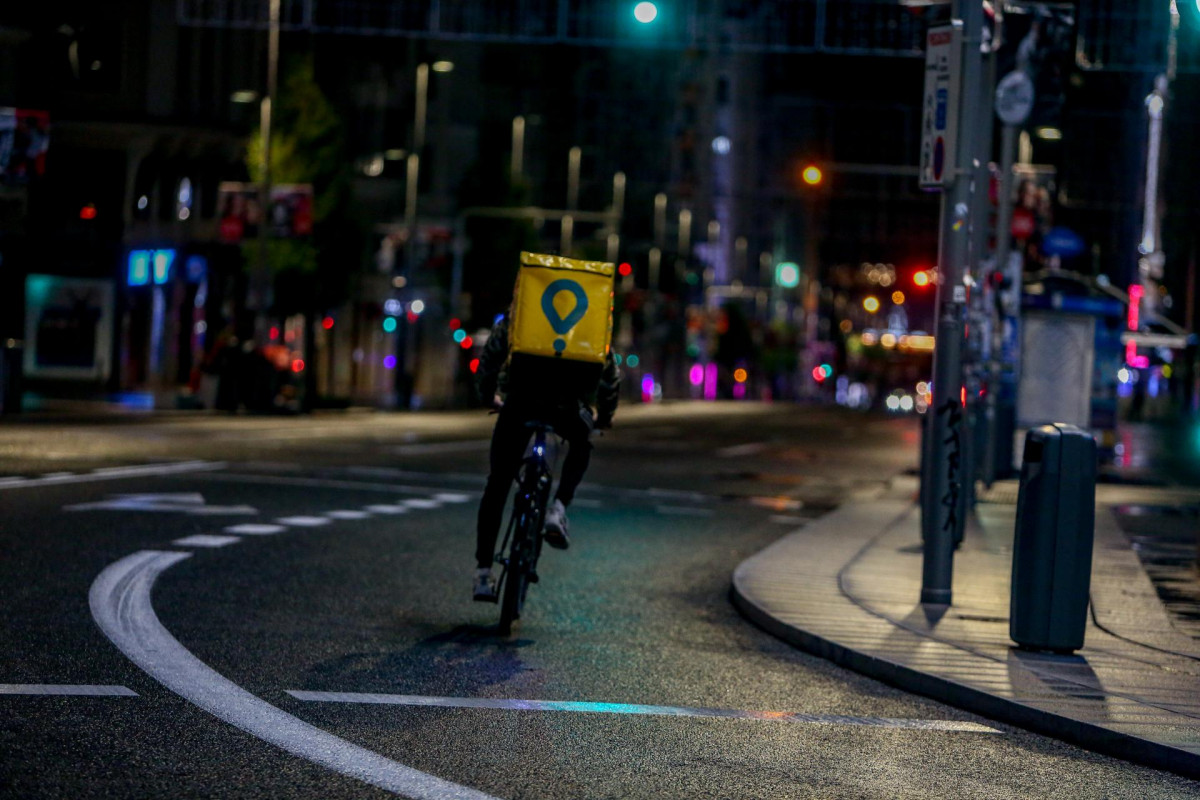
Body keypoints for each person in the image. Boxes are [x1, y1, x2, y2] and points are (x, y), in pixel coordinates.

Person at [472, 312, 621, 601]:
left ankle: (482, 572)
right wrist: (604, 415)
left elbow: (491, 357)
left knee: (498, 483)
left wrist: (487, 395)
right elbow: (609, 375)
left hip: (520, 404)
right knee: (583, 440)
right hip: (567, 408)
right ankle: (558, 508)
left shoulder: (526, 307)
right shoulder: (590, 313)